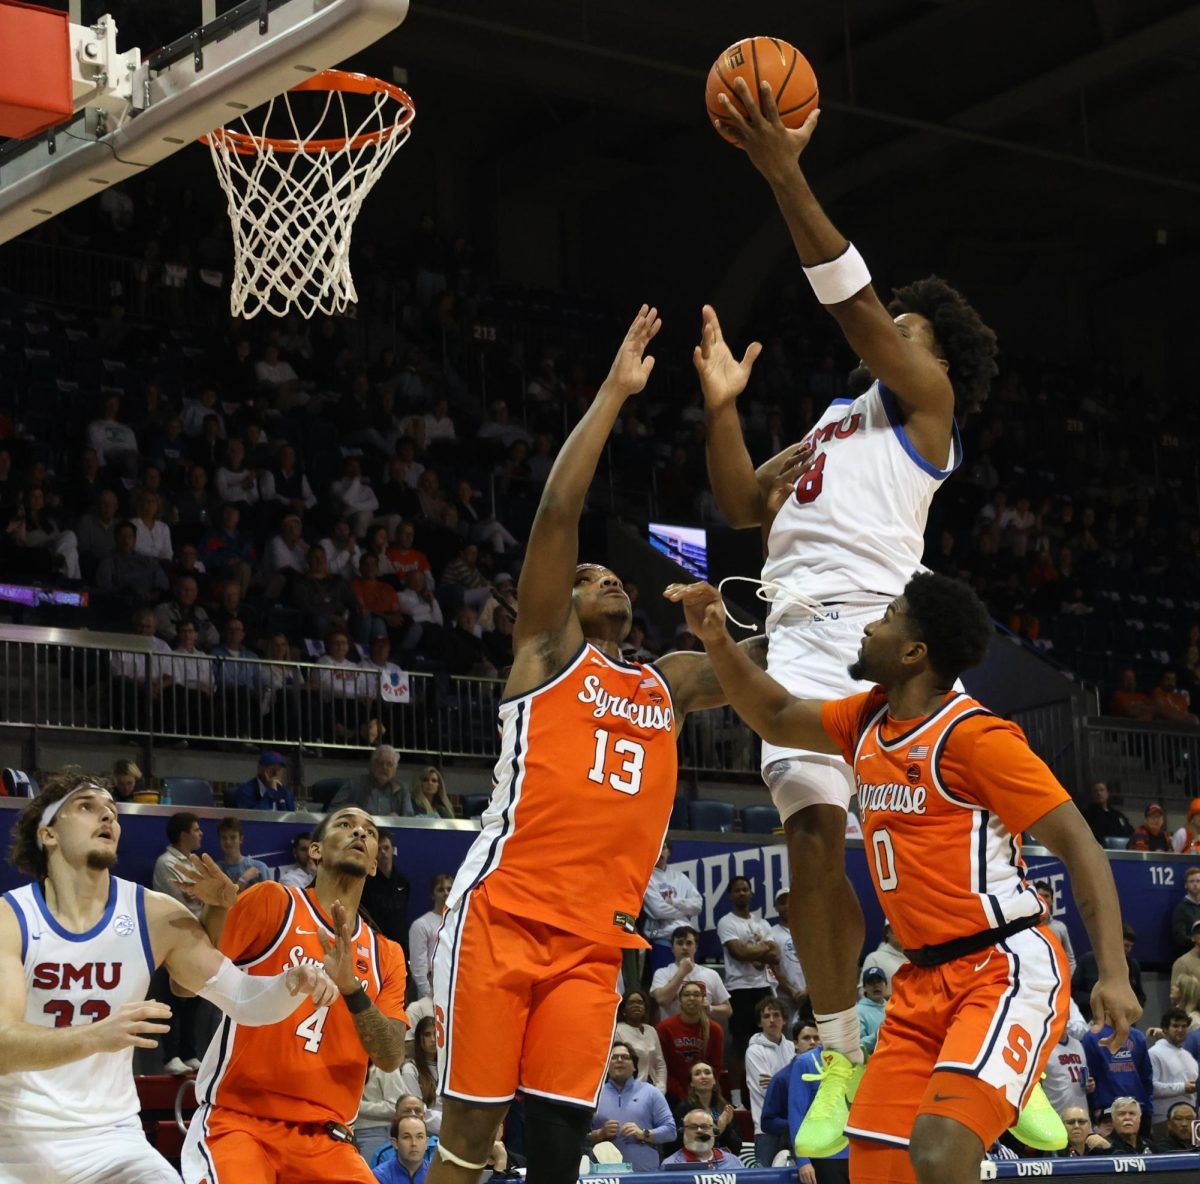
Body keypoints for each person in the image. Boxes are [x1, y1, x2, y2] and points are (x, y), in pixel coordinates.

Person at [698, 72, 1001, 1147]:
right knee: (812, 841)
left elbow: (853, 303)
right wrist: (723, 411)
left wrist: (784, 171)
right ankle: (838, 1055)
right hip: (799, 633)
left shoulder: (929, 407)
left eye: (907, 329)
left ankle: (995, 1024)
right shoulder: (834, 421)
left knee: (942, 853)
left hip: (890, 632)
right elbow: (741, 504)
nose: (887, 337)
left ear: (934, 357)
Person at [427, 309, 764, 1184]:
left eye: (613, 577)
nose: (607, 579)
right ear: (561, 602)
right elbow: (557, 511)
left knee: (557, 1150)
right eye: (589, 579)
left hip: (591, 941)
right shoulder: (546, 653)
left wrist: (812, 577)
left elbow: (769, 663)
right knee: (469, 1137)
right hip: (503, 914)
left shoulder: (668, 681)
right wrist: (615, 392)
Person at [665, 571, 1141, 1181]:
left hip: (1001, 967)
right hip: (920, 980)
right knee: (876, 1166)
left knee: (940, 1149)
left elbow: (1083, 849)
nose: (868, 626)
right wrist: (716, 640)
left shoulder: (977, 738)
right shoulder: (868, 718)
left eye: (886, 618)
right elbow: (777, 715)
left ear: (914, 653)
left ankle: (1011, 1088)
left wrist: (1115, 974)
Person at [0, 769, 335, 1184]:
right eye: (86, 807)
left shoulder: (155, 914)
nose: (106, 817)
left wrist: (290, 983)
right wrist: (94, 1036)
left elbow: (243, 1001)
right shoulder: (10, 919)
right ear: (47, 833)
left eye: (112, 811)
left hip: (113, 1141)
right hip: (16, 1142)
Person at [178, 807, 409, 1183]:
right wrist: (217, 909)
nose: (359, 834)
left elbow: (390, 1056)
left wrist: (351, 988)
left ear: (373, 865)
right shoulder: (274, 902)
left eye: (369, 832)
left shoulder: (387, 954)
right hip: (241, 1121)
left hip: (328, 1138)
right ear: (315, 850)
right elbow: (187, 984)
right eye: (345, 825)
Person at [762, 1023, 849, 1184]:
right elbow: (797, 1114)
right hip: (822, 1156)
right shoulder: (805, 1062)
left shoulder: (856, 1060)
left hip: (856, 1154)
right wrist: (803, 1160)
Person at [716, 874, 778, 1077]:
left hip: (763, 987)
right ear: (730, 895)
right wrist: (764, 947)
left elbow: (776, 956)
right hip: (739, 988)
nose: (741, 893)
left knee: (767, 1039)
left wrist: (752, 951)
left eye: (745, 889)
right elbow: (738, 953)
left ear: (751, 893)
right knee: (740, 1042)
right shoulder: (726, 922)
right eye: (737, 890)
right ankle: (735, 1093)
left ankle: (766, 1085)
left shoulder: (762, 923)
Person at [588, 1041, 674, 1171]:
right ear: (606, 1065)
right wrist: (599, 1134)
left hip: (646, 1175)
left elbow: (671, 1131)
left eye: (625, 1057)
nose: (619, 1060)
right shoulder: (594, 1095)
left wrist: (644, 1133)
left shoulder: (651, 1092)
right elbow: (577, 1137)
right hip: (605, 1176)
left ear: (634, 1066)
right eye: (614, 1057)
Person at [746, 994, 796, 1166]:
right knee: (766, 1175)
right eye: (766, 1016)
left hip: (793, 1124)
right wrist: (792, 1083)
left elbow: (777, 1086)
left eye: (776, 1015)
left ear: (785, 1020)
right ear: (760, 1022)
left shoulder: (793, 1048)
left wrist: (775, 1080)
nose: (772, 1020)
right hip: (765, 1129)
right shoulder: (754, 1051)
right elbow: (766, 1090)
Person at [657, 981, 725, 1104]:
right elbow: (662, 1067)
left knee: (717, 1113)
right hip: (673, 1095)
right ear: (679, 999)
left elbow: (716, 1067)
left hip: (705, 1093)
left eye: (696, 995)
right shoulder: (664, 1028)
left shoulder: (715, 1030)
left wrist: (702, 1091)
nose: (692, 998)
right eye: (687, 994)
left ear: (703, 999)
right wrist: (682, 1095)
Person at [641, 840, 703, 973]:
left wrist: (675, 902)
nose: (660, 851)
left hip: (686, 940)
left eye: (663, 847)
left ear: (669, 851)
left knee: (689, 983)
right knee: (665, 983)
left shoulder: (679, 877)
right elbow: (658, 910)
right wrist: (684, 911)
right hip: (661, 939)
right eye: (656, 847)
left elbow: (698, 905)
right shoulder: (646, 877)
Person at [649, 925, 732, 1021]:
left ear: (695, 947)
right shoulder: (662, 973)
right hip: (672, 1029)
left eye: (689, 943)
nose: (684, 947)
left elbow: (728, 1010)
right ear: (672, 948)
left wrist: (710, 1008)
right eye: (680, 943)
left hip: (702, 1029)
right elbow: (662, 1000)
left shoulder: (711, 974)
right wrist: (682, 972)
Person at [1083, 1023, 1153, 1122]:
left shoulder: (1138, 1036)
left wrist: (1148, 1109)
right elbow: (1090, 1078)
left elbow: (1146, 1077)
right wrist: (1093, 1109)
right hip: (1106, 1110)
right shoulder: (1091, 1037)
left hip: (1138, 1108)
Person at [1073, 923, 1145, 1018]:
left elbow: (1140, 997)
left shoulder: (1133, 965)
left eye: (1131, 946)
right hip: (1091, 1019)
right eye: (1126, 945)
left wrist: (1129, 1007)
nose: (1129, 950)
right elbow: (1074, 994)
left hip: (1123, 1021)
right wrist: (1099, 1000)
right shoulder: (1087, 961)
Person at [676, 1060, 741, 1157]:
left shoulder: (724, 1107)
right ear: (691, 1083)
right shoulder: (684, 1108)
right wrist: (717, 1130)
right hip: (692, 1160)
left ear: (714, 1080)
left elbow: (736, 1148)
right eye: (697, 1074)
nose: (703, 1076)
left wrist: (727, 1127)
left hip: (722, 1160)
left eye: (707, 1073)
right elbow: (681, 1144)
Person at [360, 829, 412, 947]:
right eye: (379, 849)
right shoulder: (366, 882)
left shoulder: (403, 882)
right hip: (374, 941)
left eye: (386, 848)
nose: (383, 852)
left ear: (393, 850)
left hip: (399, 942)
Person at [1148, 1008, 1198, 1127]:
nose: (1180, 1030)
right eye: (1175, 1026)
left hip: (1190, 1119)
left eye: (1184, 1026)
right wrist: (1183, 1087)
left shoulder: (1188, 1056)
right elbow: (1151, 1088)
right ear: (1165, 1029)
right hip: (1164, 1119)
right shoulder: (1154, 1053)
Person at [331, 745, 413, 816]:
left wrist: (397, 820)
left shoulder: (402, 789)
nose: (384, 767)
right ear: (372, 765)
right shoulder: (354, 784)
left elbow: (409, 818)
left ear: (395, 769)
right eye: (380, 763)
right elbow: (333, 811)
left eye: (389, 764)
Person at [614, 990, 667, 1094]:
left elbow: (660, 1064)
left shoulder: (651, 1030)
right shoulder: (618, 1031)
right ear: (624, 1009)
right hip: (629, 1090)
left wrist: (660, 1089)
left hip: (654, 1088)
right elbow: (618, 1065)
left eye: (640, 1002)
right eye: (631, 1002)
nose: (636, 1005)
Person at [409, 873, 453, 999]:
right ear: (433, 895)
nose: (446, 893)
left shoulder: (460, 923)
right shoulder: (421, 925)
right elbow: (418, 967)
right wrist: (429, 996)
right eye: (440, 890)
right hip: (431, 994)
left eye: (449, 889)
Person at [400, 1016, 443, 1136]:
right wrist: (447, 1127)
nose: (433, 1039)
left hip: (454, 1129)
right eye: (427, 1035)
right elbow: (416, 1109)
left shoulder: (448, 1067)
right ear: (419, 1038)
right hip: (427, 1132)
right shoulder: (411, 1069)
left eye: (436, 1034)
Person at [660, 1110, 742, 1170]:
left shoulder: (733, 1161)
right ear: (683, 1132)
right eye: (693, 1127)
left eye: (705, 1126)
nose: (699, 1131)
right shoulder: (671, 1165)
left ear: (714, 1132)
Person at [769, 889, 808, 1011]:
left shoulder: (809, 931)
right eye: (782, 903)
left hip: (810, 995)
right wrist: (792, 991)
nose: (787, 906)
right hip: (784, 997)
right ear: (776, 907)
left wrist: (808, 990)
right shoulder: (771, 933)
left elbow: (818, 964)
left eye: (790, 902)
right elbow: (773, 968)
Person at [1042, 1026, 1090, 1118]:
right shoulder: (1042, 1047)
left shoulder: (1078, 1044)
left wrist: (1089, 1085)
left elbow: (1084, 1078)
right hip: (1055, 1114)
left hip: (1081, 1112)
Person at [214, 817, 270, 893]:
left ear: (241, 839)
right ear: (219, 840)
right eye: (224, 838)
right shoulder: (215, 870)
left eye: (233, 837)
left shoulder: (260, 867)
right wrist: (243, 879)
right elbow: (224, 899)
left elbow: (270, 897)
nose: (228, 842)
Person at [230, 750, 296, 812]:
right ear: (260, 770)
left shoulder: (286, 793)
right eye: (272, 769)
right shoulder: (245, 791)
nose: (276, 774)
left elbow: (291, 817)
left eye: (279, 770)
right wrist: (271, 791)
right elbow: (255, 817)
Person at [1035, 880, 1076, 976]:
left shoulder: (1060, 927)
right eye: (1040, 896)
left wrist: (1070, 980)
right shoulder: (1025, 929)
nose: (1043, 899)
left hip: (1058, 979)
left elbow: (1070, 960)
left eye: (1046, 896)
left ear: (1052, 900)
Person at [374, 1114, 430, 1184]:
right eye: (406, 1137)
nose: (414, 1143)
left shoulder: (437, 1174)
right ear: (395, 1143)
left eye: (419, 1137)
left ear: (426, 1142)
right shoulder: (379, 1176)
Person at [1087, 1098, 1152, 1156]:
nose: (1127, 1117)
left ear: (1139, 1119)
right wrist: (1109, 1150)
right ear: (1113, 1120)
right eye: (1122, 1114)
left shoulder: (1149, 1145)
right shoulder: (1102, 1147)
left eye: (1132, 1113)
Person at [860, 919, 908, 986]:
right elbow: (863, 989)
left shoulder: (916, 959)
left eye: (904, 929)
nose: (900, 932)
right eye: (895, 928)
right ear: (887, 933)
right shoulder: (874, 958)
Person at [856, 967, 888, 1055]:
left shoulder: (893, 1007)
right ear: (865, 988)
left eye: (879, 981)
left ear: (886, 985)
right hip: (874, 1060)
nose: (876, 985)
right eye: (871, 982)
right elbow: (857, 1046)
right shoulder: (857, 1011)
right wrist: (878, 1034)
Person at [1172, 868, 1200, 954]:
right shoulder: (1181, 909)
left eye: (1198, 881)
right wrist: (1196, 941)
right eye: (1191, 881)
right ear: (1186, 885)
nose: (1195, 884)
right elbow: (1180, 937)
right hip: (1192, 954)